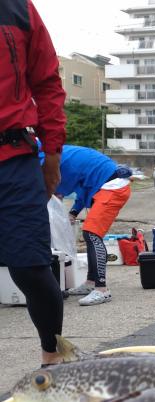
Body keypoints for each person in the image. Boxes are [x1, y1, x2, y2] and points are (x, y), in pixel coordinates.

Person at [0, 0, 66, 367]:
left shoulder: (18, 9)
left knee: (30, 266)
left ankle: (52, 360)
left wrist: (52, 152)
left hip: (13, 157)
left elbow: (47, 83)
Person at [59, 146, 133, 306]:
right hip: (106, 185)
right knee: (90, 234)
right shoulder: (60, 154)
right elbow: (83, 188)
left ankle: (102, 289)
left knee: (92, 234)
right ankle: (91, 283)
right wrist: (73, 212)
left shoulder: (53, 158)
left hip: (113, 187)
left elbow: (54, 189)